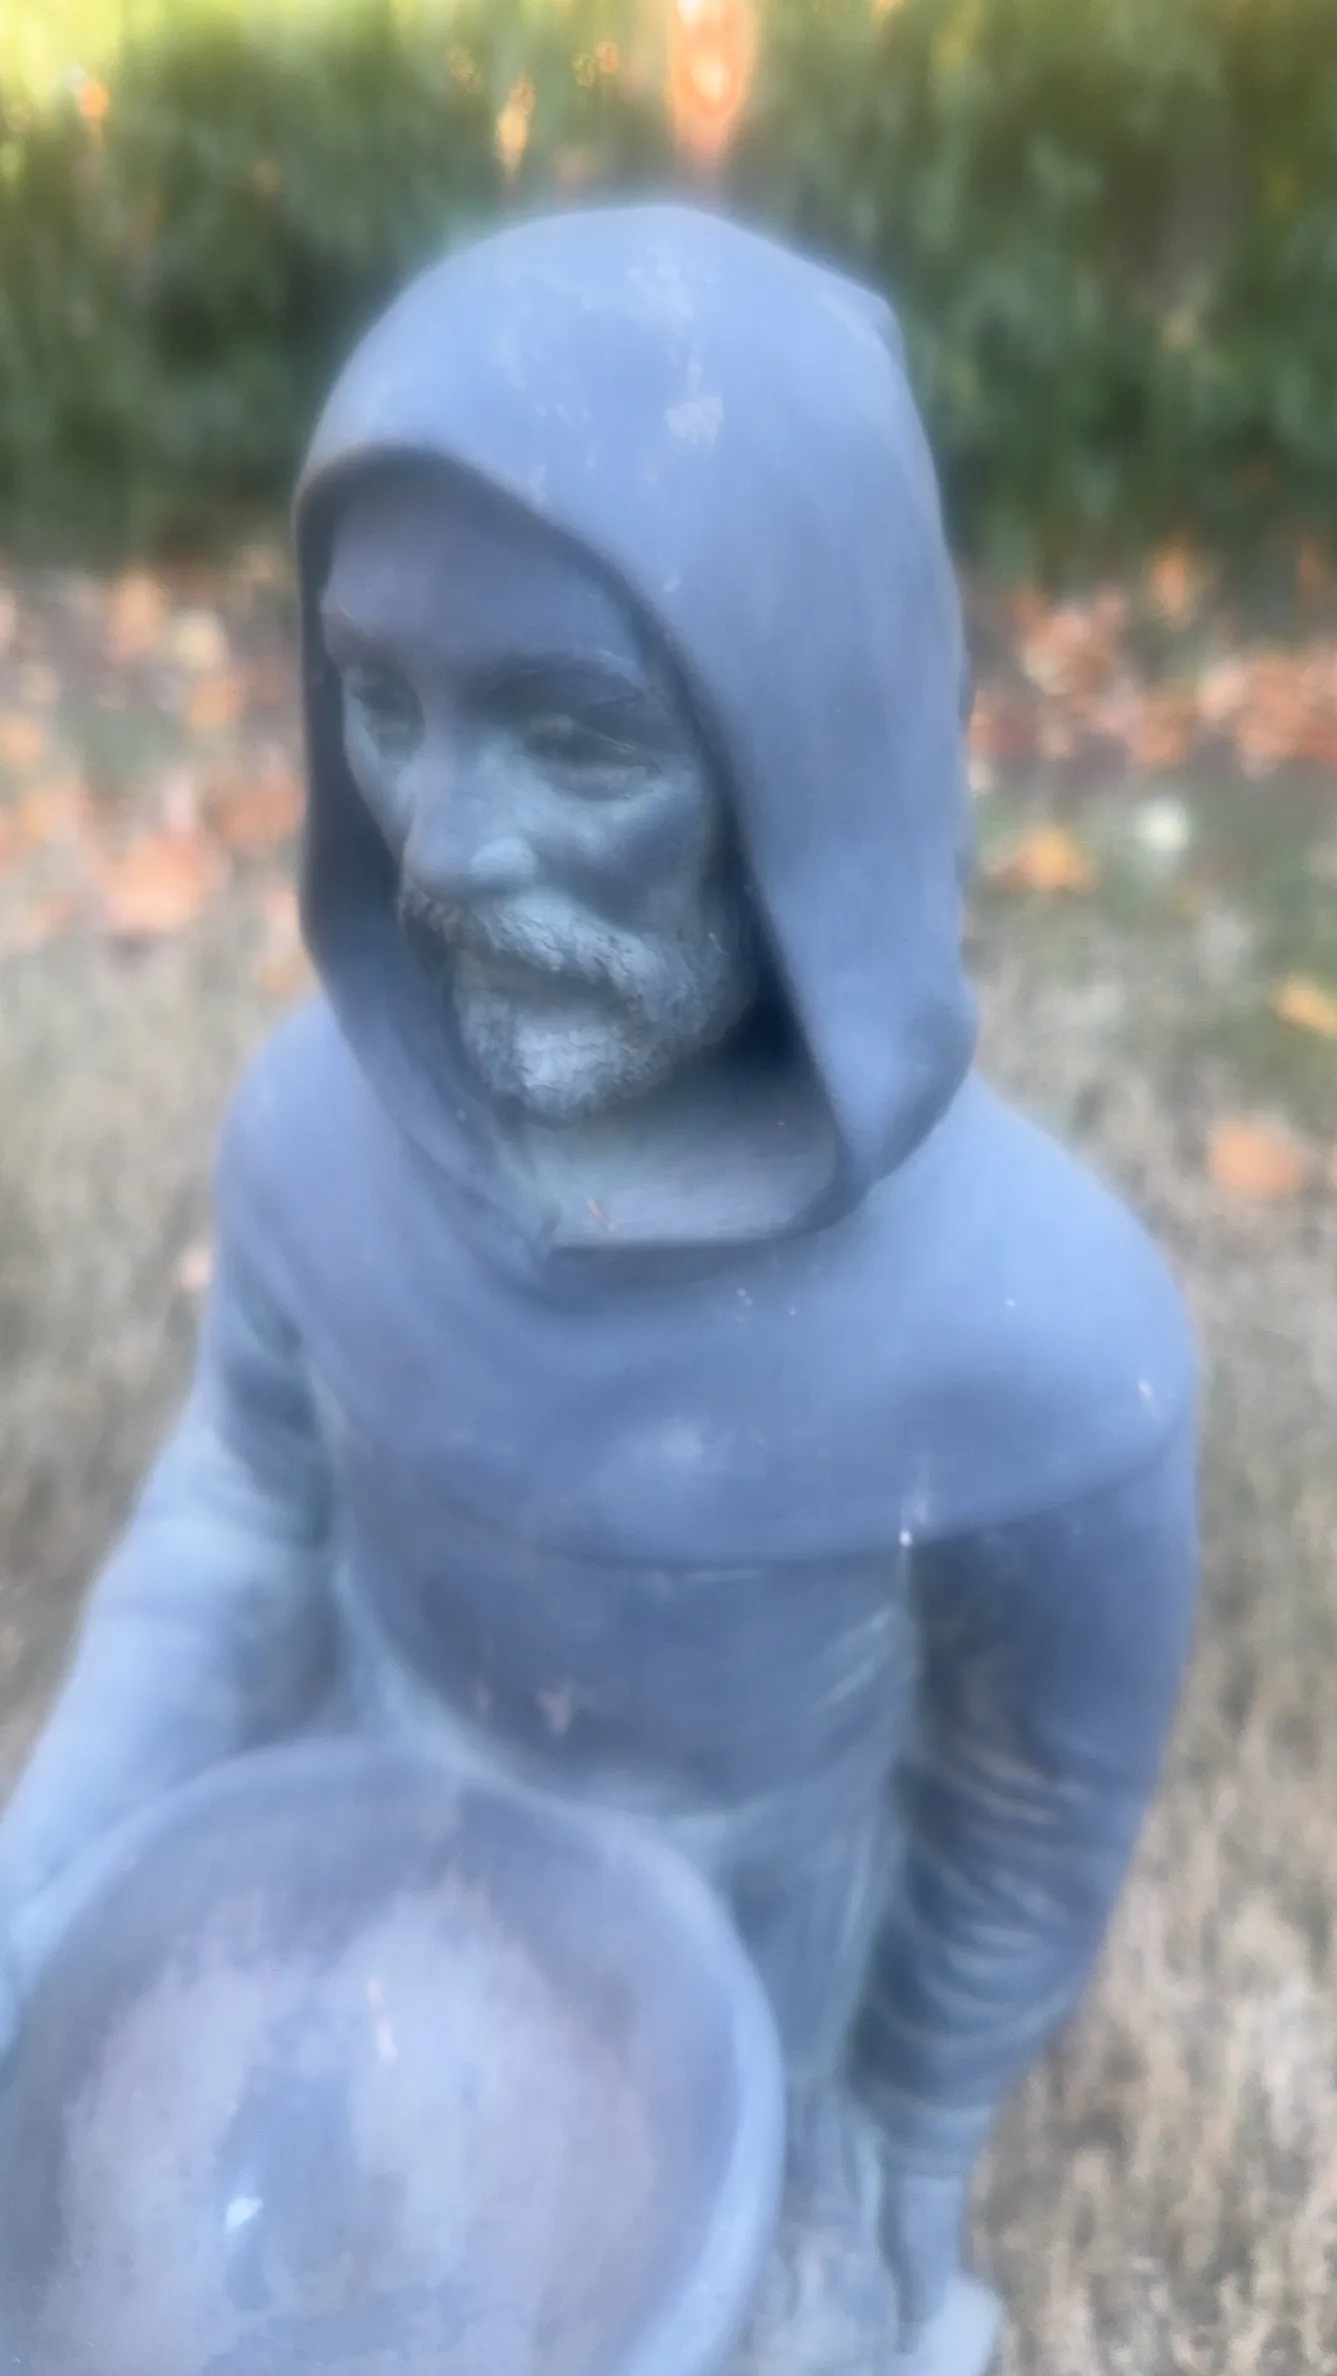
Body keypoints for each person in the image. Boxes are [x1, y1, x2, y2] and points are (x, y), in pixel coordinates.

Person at [0, 205, 1197, 2374]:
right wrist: (42, 1886)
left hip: (742, 1980)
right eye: (381, 706)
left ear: (818, 764)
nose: (442, 850)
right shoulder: (306, 1145)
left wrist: (905, 2131)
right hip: (350, 1897)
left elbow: (1028, 1798)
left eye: (581, 741)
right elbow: (239, 1525)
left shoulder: (1040, 1344)